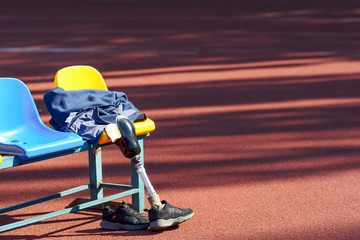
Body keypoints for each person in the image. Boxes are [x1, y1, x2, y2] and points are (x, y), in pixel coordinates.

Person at [44, 87, 194, 231]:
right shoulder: (63, 100)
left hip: (87, 115)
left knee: (124, 137)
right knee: (125, 137)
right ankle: (157, 209)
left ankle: (154, 210)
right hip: (84, 115)